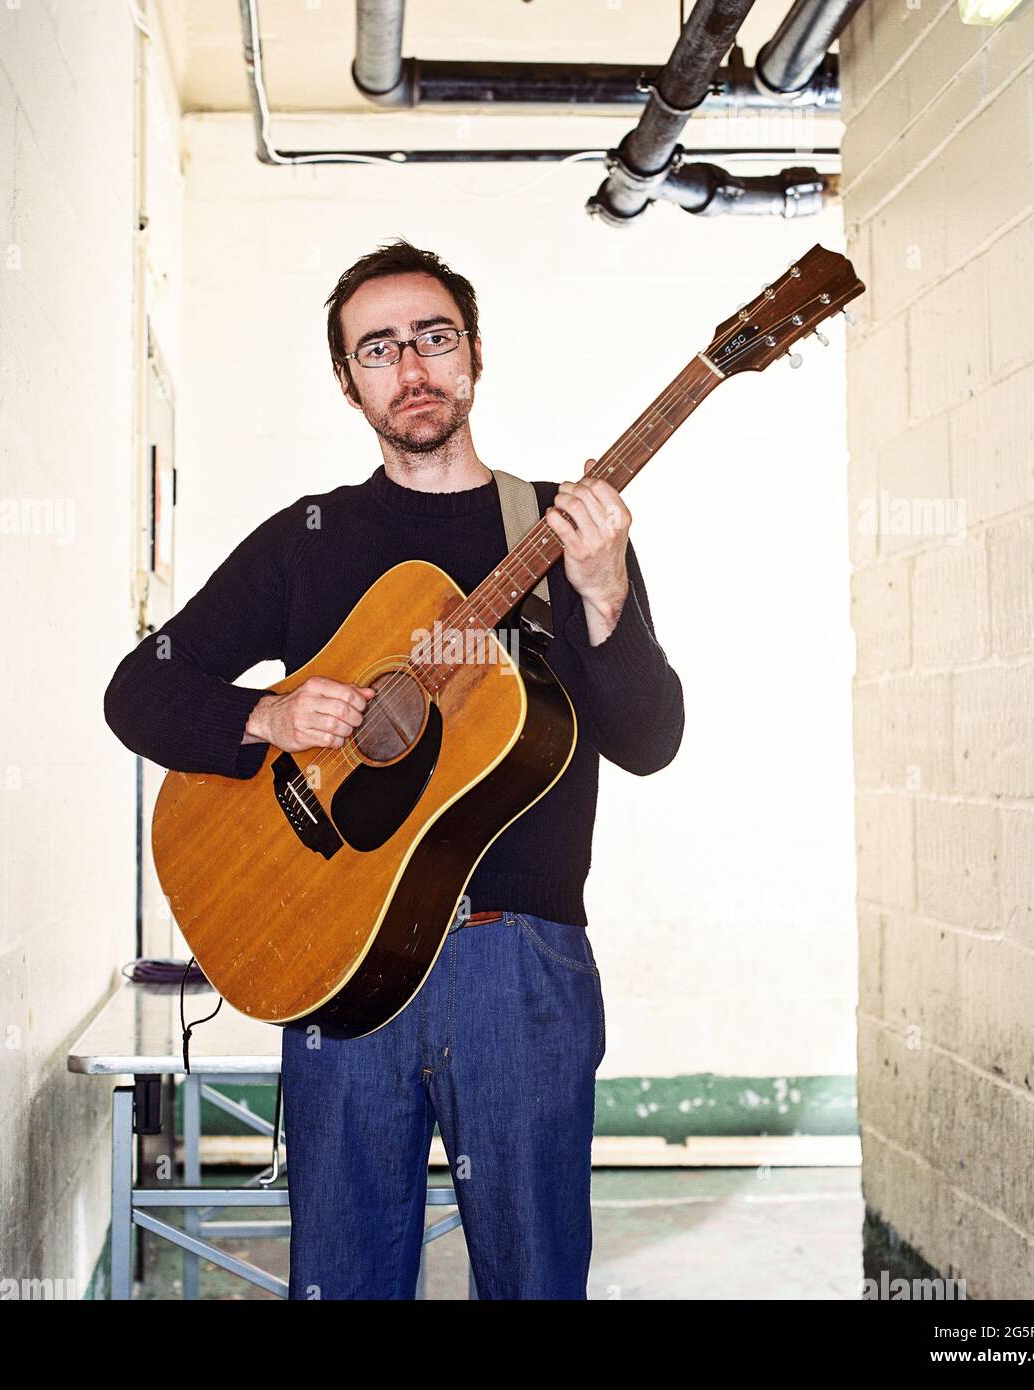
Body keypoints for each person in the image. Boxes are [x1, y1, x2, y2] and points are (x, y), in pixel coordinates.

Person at [103, 238, 685, 1299]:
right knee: (345, 1273)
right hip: (336, 958)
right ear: (345, 379)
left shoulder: (560, 530)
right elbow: (139, 690)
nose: (410, 366)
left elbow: (647, 740)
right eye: (378, 349)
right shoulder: (308, 540)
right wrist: (266, 715)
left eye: (432, 338)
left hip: (517, 970)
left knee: (534, 1276)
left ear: (472, 356)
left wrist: (602, 595)